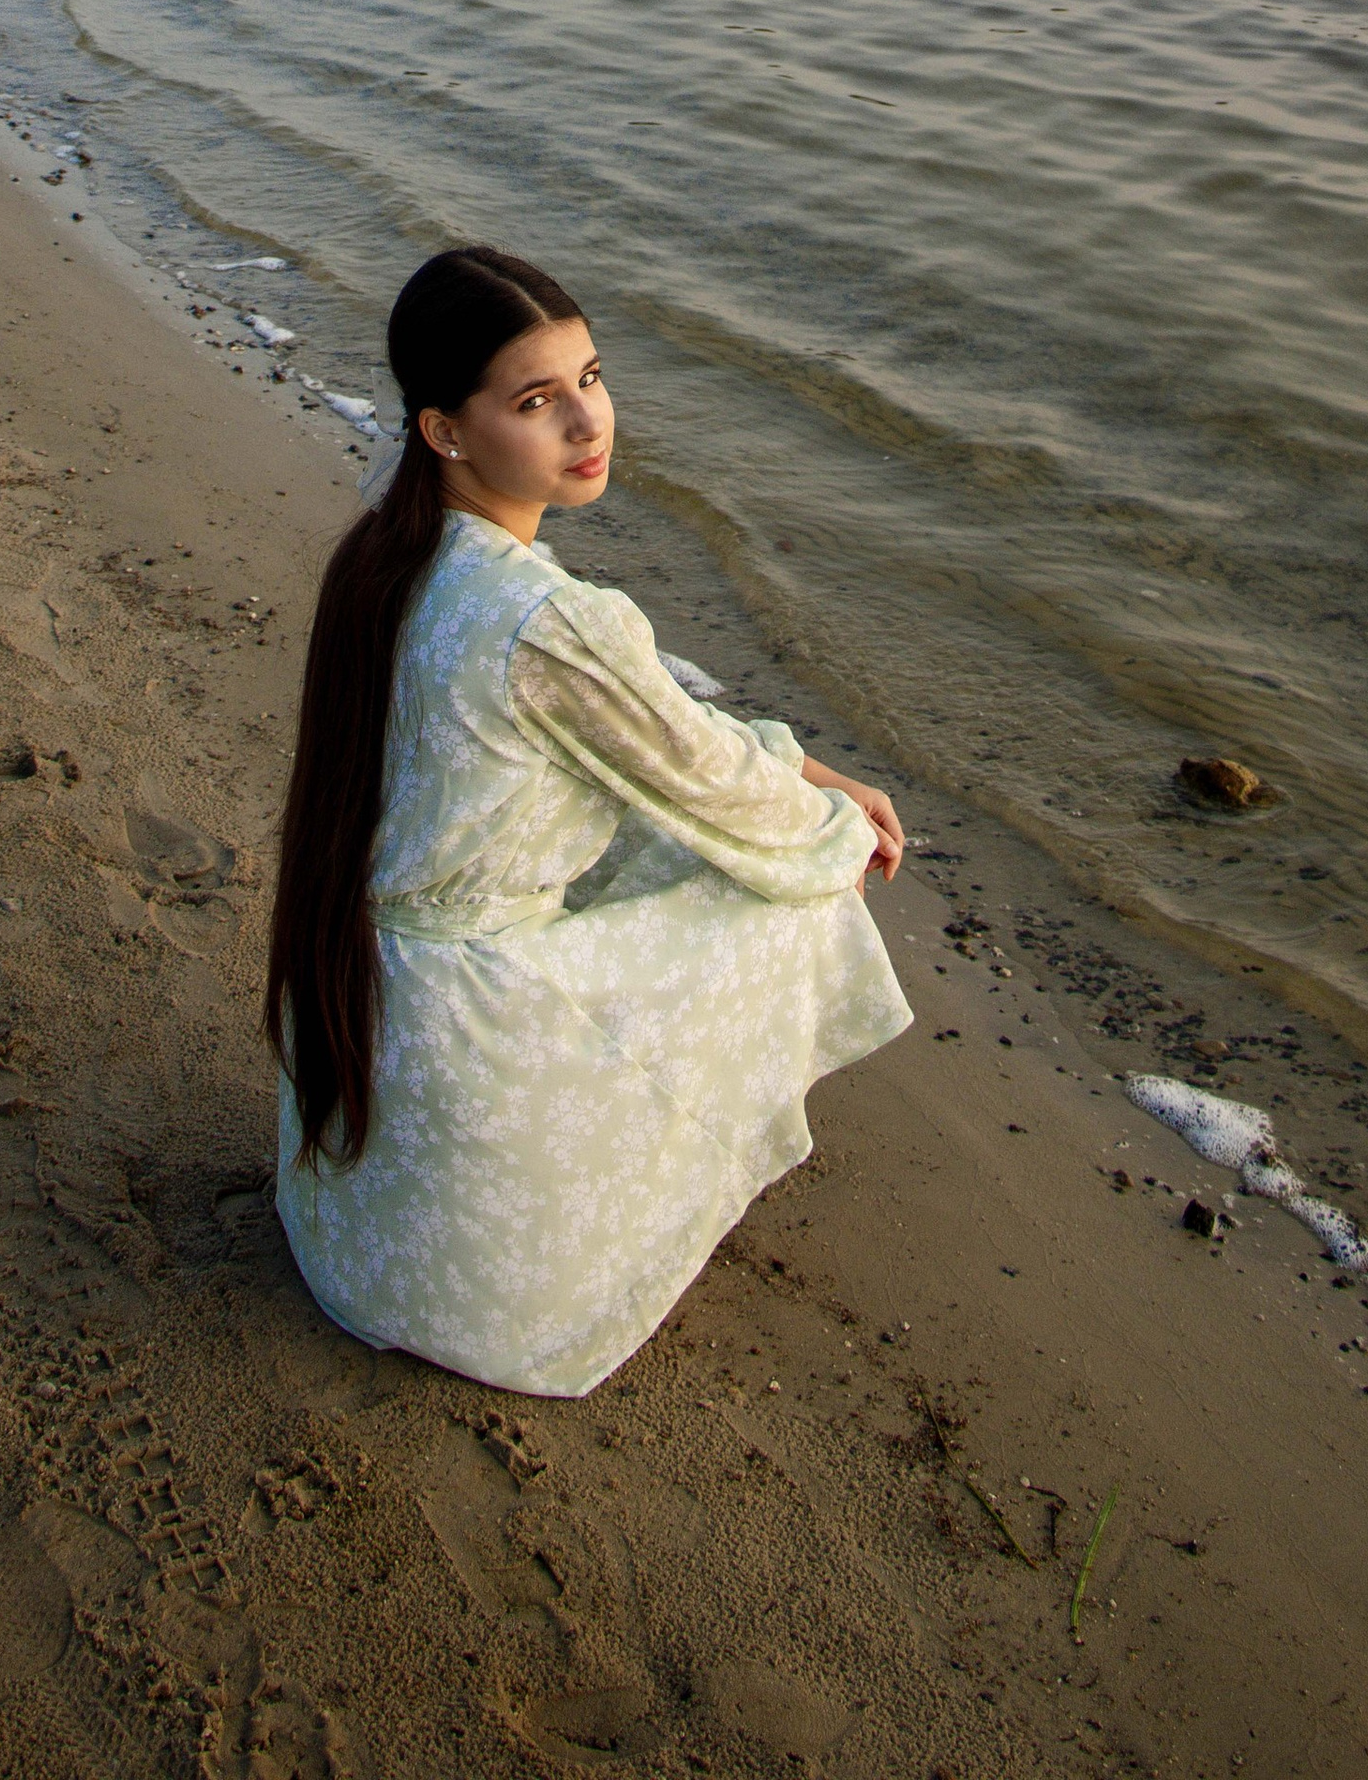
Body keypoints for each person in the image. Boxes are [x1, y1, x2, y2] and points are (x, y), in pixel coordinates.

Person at [266, 242, 911, 1397]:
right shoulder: (546, 622)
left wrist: (794, 765)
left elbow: (660, 729)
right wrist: (841, 818)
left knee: (694, 819)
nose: (585, 421)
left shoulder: (387, 557)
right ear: (443, 432)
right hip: (463, 1063)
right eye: (534, 399)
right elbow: (721, 790)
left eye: (591, 377)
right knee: (792, 884)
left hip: (370, 1029)